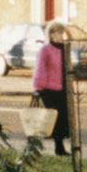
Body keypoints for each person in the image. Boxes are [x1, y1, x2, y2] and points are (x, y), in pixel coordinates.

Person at [33, 21, 70, 156]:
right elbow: (40, 69)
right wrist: (38, 87)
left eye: (62, 33)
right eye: (58, 33)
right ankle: (58, 147)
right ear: (51, 34)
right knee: (55, 118)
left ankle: (60, 147)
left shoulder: (65, 49)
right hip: (49, 89)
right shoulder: (45, 49)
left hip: (63, 89)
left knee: (63, 119)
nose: (61, 35)